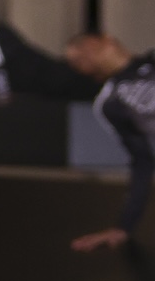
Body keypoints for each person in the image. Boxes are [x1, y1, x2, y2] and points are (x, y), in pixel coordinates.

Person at [65, 34, 155, 251]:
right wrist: (123, 226)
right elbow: (142, 161)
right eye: (77, 60)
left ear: (107, 40)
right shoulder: (110, 104)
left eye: (84, 46)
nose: (85, 54)